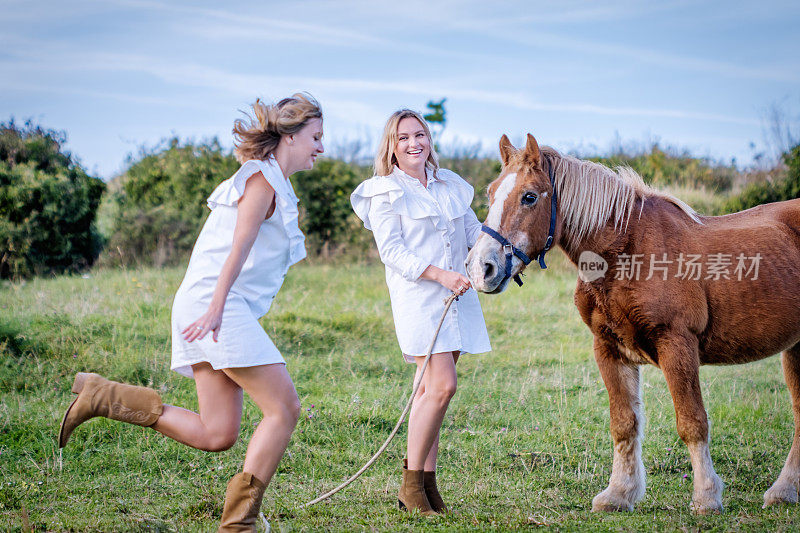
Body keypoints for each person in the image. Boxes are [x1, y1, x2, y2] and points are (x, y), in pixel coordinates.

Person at [58, 93, 324, 532]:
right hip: (216, 306)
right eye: (315, 137)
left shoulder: (271, 181)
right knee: (284, 408)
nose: (320, 147)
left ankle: (103, 396)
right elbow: (238, 246)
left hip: (210, 306)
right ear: (290, 137)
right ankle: (239, 525)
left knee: (217, 433)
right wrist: (219, 307)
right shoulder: (261, 180)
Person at [350, 109, 491, 515]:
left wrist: (505, 247)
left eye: (420, 135)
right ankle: (410, 486)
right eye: (403, 138)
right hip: (421, 298)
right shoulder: (383, 191)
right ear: (391, 147)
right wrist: (441, 275)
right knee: (443, 386)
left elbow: (472, 232)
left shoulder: (449, 184)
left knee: (432, 396)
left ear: (429, 139)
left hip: (456, 297)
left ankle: (426, 488)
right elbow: (391, 251)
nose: (414, 144)